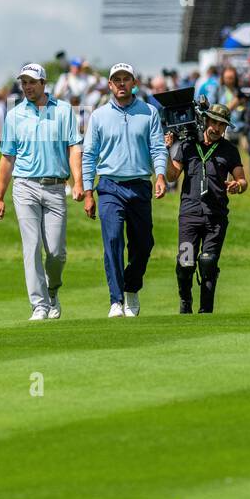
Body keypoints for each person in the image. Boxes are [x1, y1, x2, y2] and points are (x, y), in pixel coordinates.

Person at [0, 63, 83, 320]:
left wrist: (77, 182)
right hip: (24, 186)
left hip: (56, 187)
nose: (27, 86)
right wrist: (0, 196)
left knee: (56, 252)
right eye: (24, 82)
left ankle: (52, 290)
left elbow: (74, 149)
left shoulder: (65, 111)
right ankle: (39, 305)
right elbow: (7, 158)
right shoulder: (14, 115)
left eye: (32, 82)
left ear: (44, 84)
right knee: (31, 246)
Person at [81, 63, 167, 318]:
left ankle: (132, 287)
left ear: (134, 83)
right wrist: (88, 192)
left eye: (125, 79)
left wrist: (160, 175)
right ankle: (116, 299)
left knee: (144, 244)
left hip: (140, 185)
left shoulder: (149, 112)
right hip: (109, 187)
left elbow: (158, 148)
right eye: (116, 79)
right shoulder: (98, 116)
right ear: (109, 85)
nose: (121, 83)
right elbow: (89, 155)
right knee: (113, 241)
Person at [165, 104, 247, 314]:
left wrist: (238, 185)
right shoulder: (188, 146)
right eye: (214, 122)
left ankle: (206, 310)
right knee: (185, 263)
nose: (217, 128)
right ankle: (185, 301)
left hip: (216, 216)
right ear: (205, 121)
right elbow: (172, 176)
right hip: (189, 214)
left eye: (222, 125)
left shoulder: (229, 150)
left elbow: (242, 180)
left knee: (208, 262)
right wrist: (166, 150)